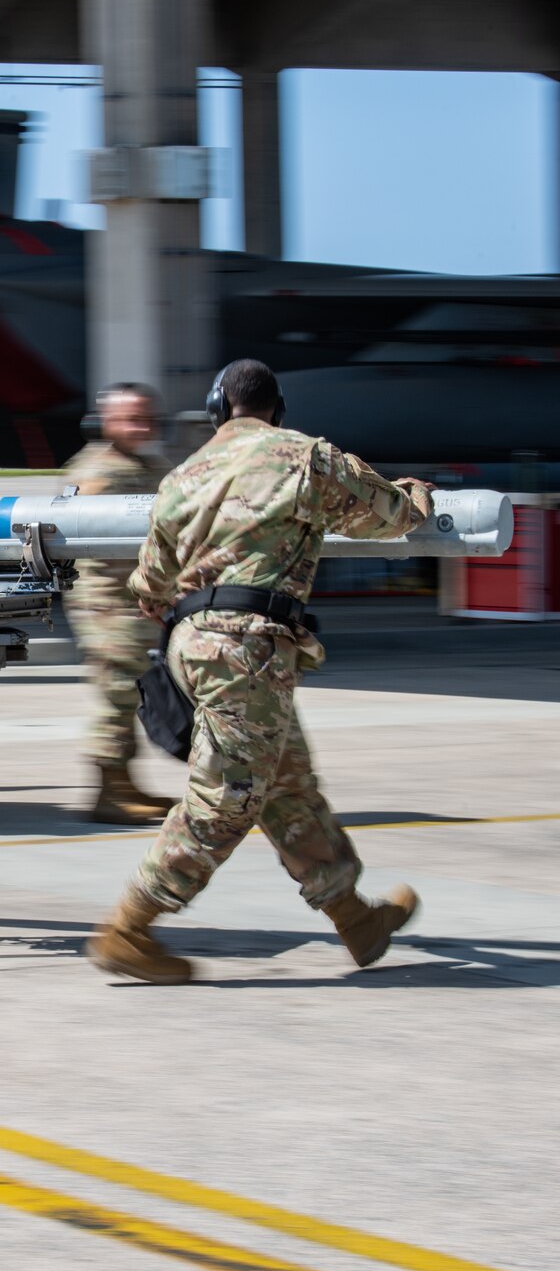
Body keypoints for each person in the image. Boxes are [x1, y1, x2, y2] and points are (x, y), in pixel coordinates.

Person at [87, 359, 432, 984]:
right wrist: (416, 494)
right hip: (248, 649)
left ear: (220, 411)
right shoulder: (305, 457)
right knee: (225, 799)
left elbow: (148, 587)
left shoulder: (181, 475)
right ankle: (129, 929)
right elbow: (389, 516)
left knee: (287, 783)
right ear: (278, 409)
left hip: (194, 646)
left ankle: (356, 920)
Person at [63, 383, 177, 824]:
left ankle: (124, 783)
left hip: (140, 601)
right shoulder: (98, 471)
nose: (142, 426)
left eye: (148, 417)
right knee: (116, 693)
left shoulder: (149, 464)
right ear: (106, 421)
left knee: (132, 693)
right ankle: (107, 792)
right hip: (108, 603)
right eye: (132, 418)